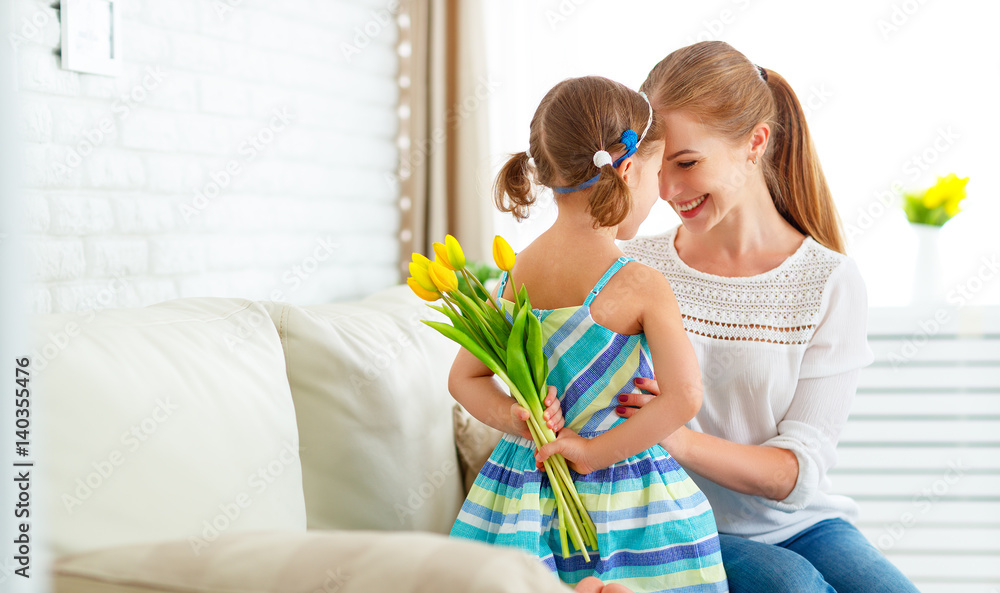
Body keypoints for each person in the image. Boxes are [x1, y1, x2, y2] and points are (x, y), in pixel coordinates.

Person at [616, 41, 921, 593]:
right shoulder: (635, 269)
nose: (665, 191)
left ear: (755, 142)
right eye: (657, 168)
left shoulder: (829, 282)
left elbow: (794, 474)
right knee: (793, 587)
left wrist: (676, 436)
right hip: (671, 518)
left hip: (800, 524)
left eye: (686, 164)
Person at [448, 76, 729, 593]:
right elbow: (685, 396)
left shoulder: (517, 273)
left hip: (524, 493)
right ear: (625, 170)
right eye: (655, 174)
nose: (661, 194)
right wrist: (594, 453)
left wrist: (520, 418)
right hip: (624, 499)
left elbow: (463, 379)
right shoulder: (641, 284)